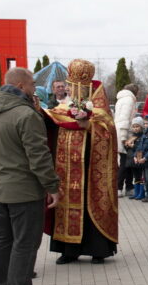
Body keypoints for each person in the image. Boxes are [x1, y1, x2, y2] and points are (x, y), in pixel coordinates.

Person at [0, 67, 59, 285]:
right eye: (31, 86)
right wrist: (52, 185)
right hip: (24, 189)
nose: (33, 90)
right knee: (25, 241)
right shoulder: (25, 115)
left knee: (3, 238)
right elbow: (39, 155)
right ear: (20, 86)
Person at [44, 59, 118, 265]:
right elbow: (55, 121)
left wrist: (87, 125)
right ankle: (69, 250)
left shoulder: (100, 107)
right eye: (68, 85)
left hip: (92, 167)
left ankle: (98, 249)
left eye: (72, 85)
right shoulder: (62, 106)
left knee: (90, 203)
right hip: (67, 166)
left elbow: (107, 131)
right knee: (67, 202)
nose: (69, 88)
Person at [115, 83, 139, 197]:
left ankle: (128, 186)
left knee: (126, 161)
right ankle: (119, 187)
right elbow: (124, 118)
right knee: (125, 162)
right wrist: (124, 137)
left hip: (120, 132)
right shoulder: (129, 100)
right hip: (124, 133)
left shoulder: (121, 99)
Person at [125, 117, 145, 200]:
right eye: (134, 126)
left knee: (141, 176)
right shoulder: (132, 136)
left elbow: (141, 147)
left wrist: (133, 146)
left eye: (137, 126)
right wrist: (126, 145)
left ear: (141, 127)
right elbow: (127, 148)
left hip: (139, 159)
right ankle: (136, 193)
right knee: (136, 176)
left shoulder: (142, 136)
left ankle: (141, 193)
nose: (135, 128)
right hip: (132, 160)